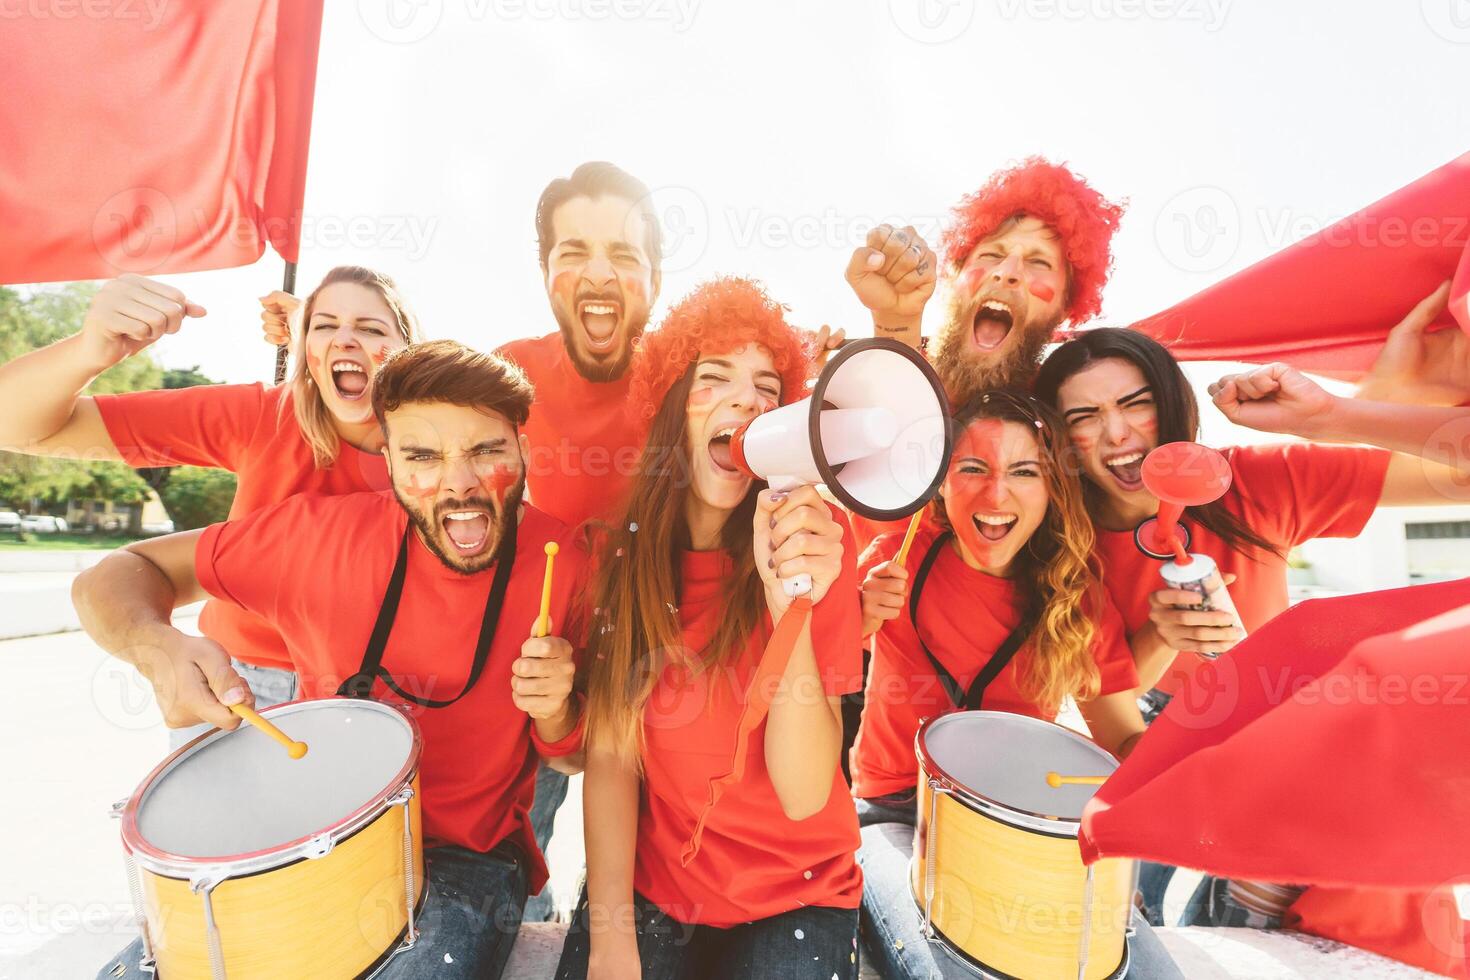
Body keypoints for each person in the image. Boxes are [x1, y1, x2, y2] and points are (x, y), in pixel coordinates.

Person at [72, 340, 585, 979]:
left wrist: (559, 711)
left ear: (524, 453)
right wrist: (159, 648)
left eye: (486, 450)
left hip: (469, 859)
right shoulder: (316, 536)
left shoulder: (571, 562)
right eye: (423, 456)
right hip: (310, 836)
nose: (459, 481)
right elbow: (121, 572)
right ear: (390, 462)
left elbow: (572, 755)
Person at [1033, 325, 1465, 928]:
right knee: (1138, 927)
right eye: (1085, 415)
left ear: (1172, 403)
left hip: (1286, 731)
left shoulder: (1256, 482)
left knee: (1267, 927)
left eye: (1136, 404)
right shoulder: (1062, 551)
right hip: (1158, 749)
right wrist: (1159, 637)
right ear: (1061, 441)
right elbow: (1120, 738)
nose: (1117, 433)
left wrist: (1331, 417)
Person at [554, 278, 865, 980]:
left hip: (801, 893)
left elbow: (804, 792)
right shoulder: (618, 557)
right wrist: (610, 944)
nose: (744, 402)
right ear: (671, 410)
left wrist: (793, 614)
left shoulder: (818, 542)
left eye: (765, 387)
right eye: (713, 378)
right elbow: (609, 759)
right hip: (659, 891)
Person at [0, 267, 422, 740]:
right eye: (324, 325)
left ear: (411, 353)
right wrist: (88, 350)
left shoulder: (446, 445)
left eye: (370, 328)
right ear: (306, 350)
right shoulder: (263, 414)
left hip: (383, 692)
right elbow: (14, 425)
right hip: (241, 687)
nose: (344, 339)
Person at [851, 389, 1182, 979]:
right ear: (941, 482)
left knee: (1143, 971)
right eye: (972, 468)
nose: (996, 494)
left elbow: (1124, 743)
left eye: (1024, 471)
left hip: (1024, 826)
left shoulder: (1077, 597)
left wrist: (1214, 764)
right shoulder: (897, 555)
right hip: (895, 812)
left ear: (1052, 489)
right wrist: (851, 621)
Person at [845, 157, 1124, 402]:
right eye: (992, 254)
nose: (1007, 272)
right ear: (956, 276)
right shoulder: (852, 387)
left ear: (1065, 305)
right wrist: (896, 321)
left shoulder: (1071, 421)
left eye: (1038, 262)